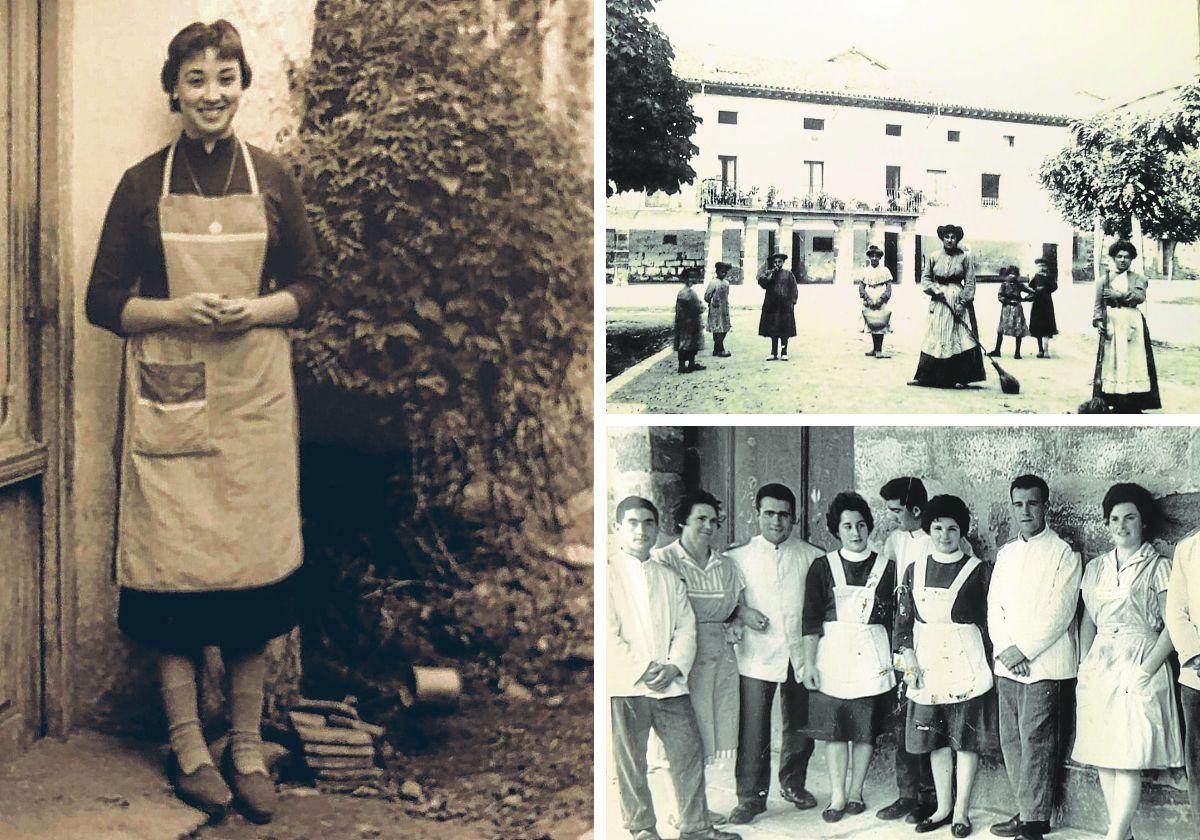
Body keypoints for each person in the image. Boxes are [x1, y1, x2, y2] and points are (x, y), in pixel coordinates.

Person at [84, 20, 323, 823]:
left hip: (254, 403)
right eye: (196, 79)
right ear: (173, 92)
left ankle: (247, 749)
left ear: (241, 86)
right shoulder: (140, 184)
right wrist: (176, 309)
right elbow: (103, 302)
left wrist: (254, 309)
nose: (211, 94)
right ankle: (190, 748)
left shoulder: (276, 179)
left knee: (253, 588)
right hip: (172, 399)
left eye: (226, 78)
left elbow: (312, 293)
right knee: (176, 587)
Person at [607, 497, 741, 840]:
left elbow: (686, 626)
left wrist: (672, 667)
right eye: (633, 523)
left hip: (671, 685)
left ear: (657, 528)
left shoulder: (666, 576)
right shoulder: (607, 575)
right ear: (617, 528)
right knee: (630, 760)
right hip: (628, 684)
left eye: (649, 523)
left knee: (687, 752)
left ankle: (695, 826)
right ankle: (641, 828)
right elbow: (608, 634)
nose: (641, 530)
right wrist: (644, 668)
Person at [1073, 483, 1182, 840]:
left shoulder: (1159, 566)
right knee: (1105, 753)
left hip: (1140, 661)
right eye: (1114, 519)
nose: (1121, 525)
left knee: (1129, 756)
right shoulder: (1096, 568)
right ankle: (1124, 834)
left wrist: (1146, 669)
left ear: (1143, 522)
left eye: (1130, 518)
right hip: (1101, 663)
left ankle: (1114, 835)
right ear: (1107, 524)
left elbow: (1172, 627)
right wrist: (1085, 664)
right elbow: (1088, 620)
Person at [987, 475, 1082, 840]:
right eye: (1018, 504)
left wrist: (1023, 649)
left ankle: (1035, 821)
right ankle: (1025, 809)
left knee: (1037, 740)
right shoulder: (1007, 554)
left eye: (1032, 503)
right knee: (1011, 739)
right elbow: (995, 605)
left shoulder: (1063, 553)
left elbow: (1060, 611)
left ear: (1046, 505)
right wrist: (1007, 649)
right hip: (1008, 664)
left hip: (1045, 664)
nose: (1025, 510)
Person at [896, 494, 996, 838]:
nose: (943, 535)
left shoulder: (978, 570)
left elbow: (990, 622)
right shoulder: (914, 569)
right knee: (936, 740)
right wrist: (907, 656)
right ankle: (942, 806)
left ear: (961, 532)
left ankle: (962, 812)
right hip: (927, 661)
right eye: (937, 527)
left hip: (964, 660)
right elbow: (903, 622)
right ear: (929, 529)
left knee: (964, 739)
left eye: (952, 529)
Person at [724, 483, 824, 824]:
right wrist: (742, 611)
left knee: (799, 725)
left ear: (793, 518)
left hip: (799, 653)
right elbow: (723, 602)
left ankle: (794, 783)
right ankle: (750, 797)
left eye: (783, 514)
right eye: (769, 513)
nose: (776, 521)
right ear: (757, 515)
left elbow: (820, 606)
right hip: (756, 654)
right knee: (753, 728)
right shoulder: (736, 558)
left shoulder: (812, 556)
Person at [801, 492, 896, 824]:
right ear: (836, 530)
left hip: (870, 655)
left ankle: (856, 791)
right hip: (833, 657)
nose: (855, 533)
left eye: (860, 525)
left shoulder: (887, 568)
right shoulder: (822, 567)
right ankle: (838, 794)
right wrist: (809, 663)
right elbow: (810, 620)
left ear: (868, 527)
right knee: (836, 731)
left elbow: (895, 619)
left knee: (864, 729)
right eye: (847, 526)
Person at [651, 491, 744, 819]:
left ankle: (697, 806)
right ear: (682, 521)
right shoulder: (663, 560)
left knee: (706, 734)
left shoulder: (726, 565)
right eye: (700, 519)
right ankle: (680, 809)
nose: (709, 526)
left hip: (718, 658)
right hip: (680, 655)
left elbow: (734, 608)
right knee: (679, 734)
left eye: (713, 521)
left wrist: (736, 620)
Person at [909, 224, 986, 389]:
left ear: (957, 239)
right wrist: (934, 291)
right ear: (942, 239)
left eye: (953, 237)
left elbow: (970, 283)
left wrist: (963, 304)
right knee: (936, 334)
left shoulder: (965, 257)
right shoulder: (935, 256)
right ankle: (926, 377)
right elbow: (926, 278)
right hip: (939, 301)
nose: (950, 240)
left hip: (957, 300)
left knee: (958, 336)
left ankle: (960, 378)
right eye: (947, 237)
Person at [1093, 241, 1160, 413]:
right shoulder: (1104, 280)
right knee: (1113, 361)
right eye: (1119, 257)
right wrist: (1099, 321)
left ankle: (1134, 402)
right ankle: (1115, 400)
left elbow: (1139, 297)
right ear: (1114, 258)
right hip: (1112, 324)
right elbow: (1098, 305)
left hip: (1132, 323)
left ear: (1132, 259)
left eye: (1127, 257)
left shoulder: (1139, 278)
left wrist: (1119, 295)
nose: (1123, 260)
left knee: (1134, 361)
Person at [1165, 528, 1200, 829]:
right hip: (1196, 678)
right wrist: (1195, 654)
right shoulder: (1188, 548)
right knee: (1199, 764)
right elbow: (1176, 610)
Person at [756, 252, 798, 361]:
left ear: (783, 263)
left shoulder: (788, 274)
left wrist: (792, 302)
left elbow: (794, 289)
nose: (777, 264)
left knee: (784, 329)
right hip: (772, 306)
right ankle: (773, 352)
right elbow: (762, 283)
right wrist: (769, 276)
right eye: (775, 262)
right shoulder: (768, 273)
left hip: (785, 306)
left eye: (779, 262)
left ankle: (784, 352)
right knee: (773, 329)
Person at [857, 243, 894, 358]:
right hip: (870, 295)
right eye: (872, 256)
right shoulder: (865, 271)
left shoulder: (885, 270)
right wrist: (867, 299)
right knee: (872, 322)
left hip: (880, 295)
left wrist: (881, 299)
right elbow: (861, 286)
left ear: (880, 258)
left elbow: (888, 287)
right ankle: (874, 348)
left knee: (880, 322)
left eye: (876, 256)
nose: (874, 258)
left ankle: (879, 349)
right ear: (869, 257)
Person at [989, 266, 1030, 360]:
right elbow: (1000, 296)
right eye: (1010, 274)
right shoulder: (1004, 285)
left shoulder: (1019, 285)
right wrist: (1008, 301)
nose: (1012, 276)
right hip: (1007, 309)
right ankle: (997, 350)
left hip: (1016, 308)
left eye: (1014, 274)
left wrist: (1025, 299)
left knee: (1018, 330)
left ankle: (1017, 352)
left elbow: (1031, 292)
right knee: (1001, 330)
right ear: (1006, 275)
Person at [675, 268, 706, 374]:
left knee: (693, 343)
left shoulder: (689, 292)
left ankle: (691, 363)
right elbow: (695, 307)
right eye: (690, 277)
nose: (693, 280)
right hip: (686, 322)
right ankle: (682, 365)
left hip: (691, 321)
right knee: (685, 344)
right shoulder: (685, 292)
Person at [1027, 258, 1058, 358]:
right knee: (1038, 328)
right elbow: (1030, 286)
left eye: (1043, 266)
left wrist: (1046, 288)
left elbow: (1054, 287)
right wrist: (1036, 289)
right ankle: (1040, 350)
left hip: (1047, 304)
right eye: (1039, 266)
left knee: (1047, 328)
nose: (1041, 268)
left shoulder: (1049, 277)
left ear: (1046, 267)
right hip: (1037, 304)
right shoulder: (1036, 277)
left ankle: (1046, 350)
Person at [704, 262, 733, 357]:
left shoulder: (726, 283)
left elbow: (726, 296)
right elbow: (707, 296)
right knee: (717, 330)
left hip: (724, 309)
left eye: (725, 272)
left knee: (724, 329)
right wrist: (712, 302)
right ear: (717, 272)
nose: (723, 274)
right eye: (721, 272)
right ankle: (720, 350)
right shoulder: (713, 282)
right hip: (715, 310)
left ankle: (717, 349)